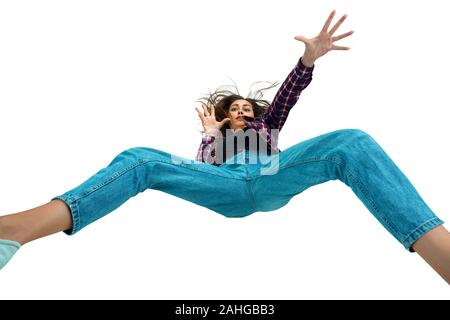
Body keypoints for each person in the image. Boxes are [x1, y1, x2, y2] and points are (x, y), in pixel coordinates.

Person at [0, 10, 449, 284]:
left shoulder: (268, 123)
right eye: (232, 108)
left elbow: (290, 92)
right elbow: (202, 171)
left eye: (244, 108)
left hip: (272, 175)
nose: (240, 111)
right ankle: (15, 230)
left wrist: (308, 59)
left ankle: (440, 252)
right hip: (225, 185)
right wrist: (211, 136)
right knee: (140, 159)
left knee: (352, 142)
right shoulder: (216, 138)